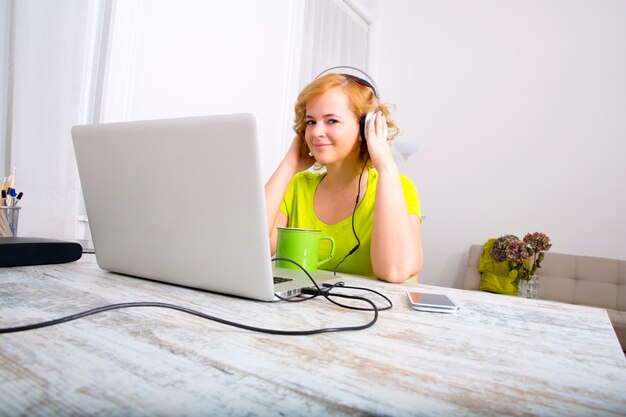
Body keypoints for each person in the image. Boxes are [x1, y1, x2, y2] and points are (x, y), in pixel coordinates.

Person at [264, 70, 423, 283]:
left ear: (366, 128)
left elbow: (394, 271)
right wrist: (289, 164)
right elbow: (248, 249)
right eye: (311, 122)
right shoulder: (297, 187)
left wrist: (385, 165)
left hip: (377, 314)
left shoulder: (398, 188)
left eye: (331, 121)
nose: (316, 132)